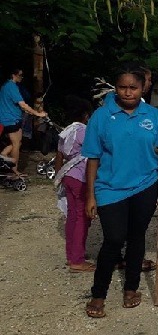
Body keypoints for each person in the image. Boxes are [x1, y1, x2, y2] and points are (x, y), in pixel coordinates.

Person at [83, 64, 158, 318]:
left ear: (143, 88)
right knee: (114, 239)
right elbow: (92, 158)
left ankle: (131, 288)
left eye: (133, 88)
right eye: (122, 87)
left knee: (137, 237)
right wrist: (90, 195)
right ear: (115, 88)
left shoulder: (154, 116)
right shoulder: (101, 116)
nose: (128, 92)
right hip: (110, 188)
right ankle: (98, 294)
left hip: (145, 185)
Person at [54, 96, 95, 272]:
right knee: (81, 218)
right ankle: (77, 260)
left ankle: (73, 254)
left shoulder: (66, 131)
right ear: (86, 115)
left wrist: (58, 176)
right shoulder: (85, 131)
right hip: (81, 176)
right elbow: (93, 155)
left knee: (72, 216)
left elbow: (59, 156)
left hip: (68, 175)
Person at [0, 67, 47, 175]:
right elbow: (22, 104)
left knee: (17, 143)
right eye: (20, 75)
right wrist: (38, 114)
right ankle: (14, 172)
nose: (22, 77)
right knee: (16, 144)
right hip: (11, 120)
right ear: (14, 75)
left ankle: (3, 156)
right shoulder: (11, 87)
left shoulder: (6, 86)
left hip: (9, 119)